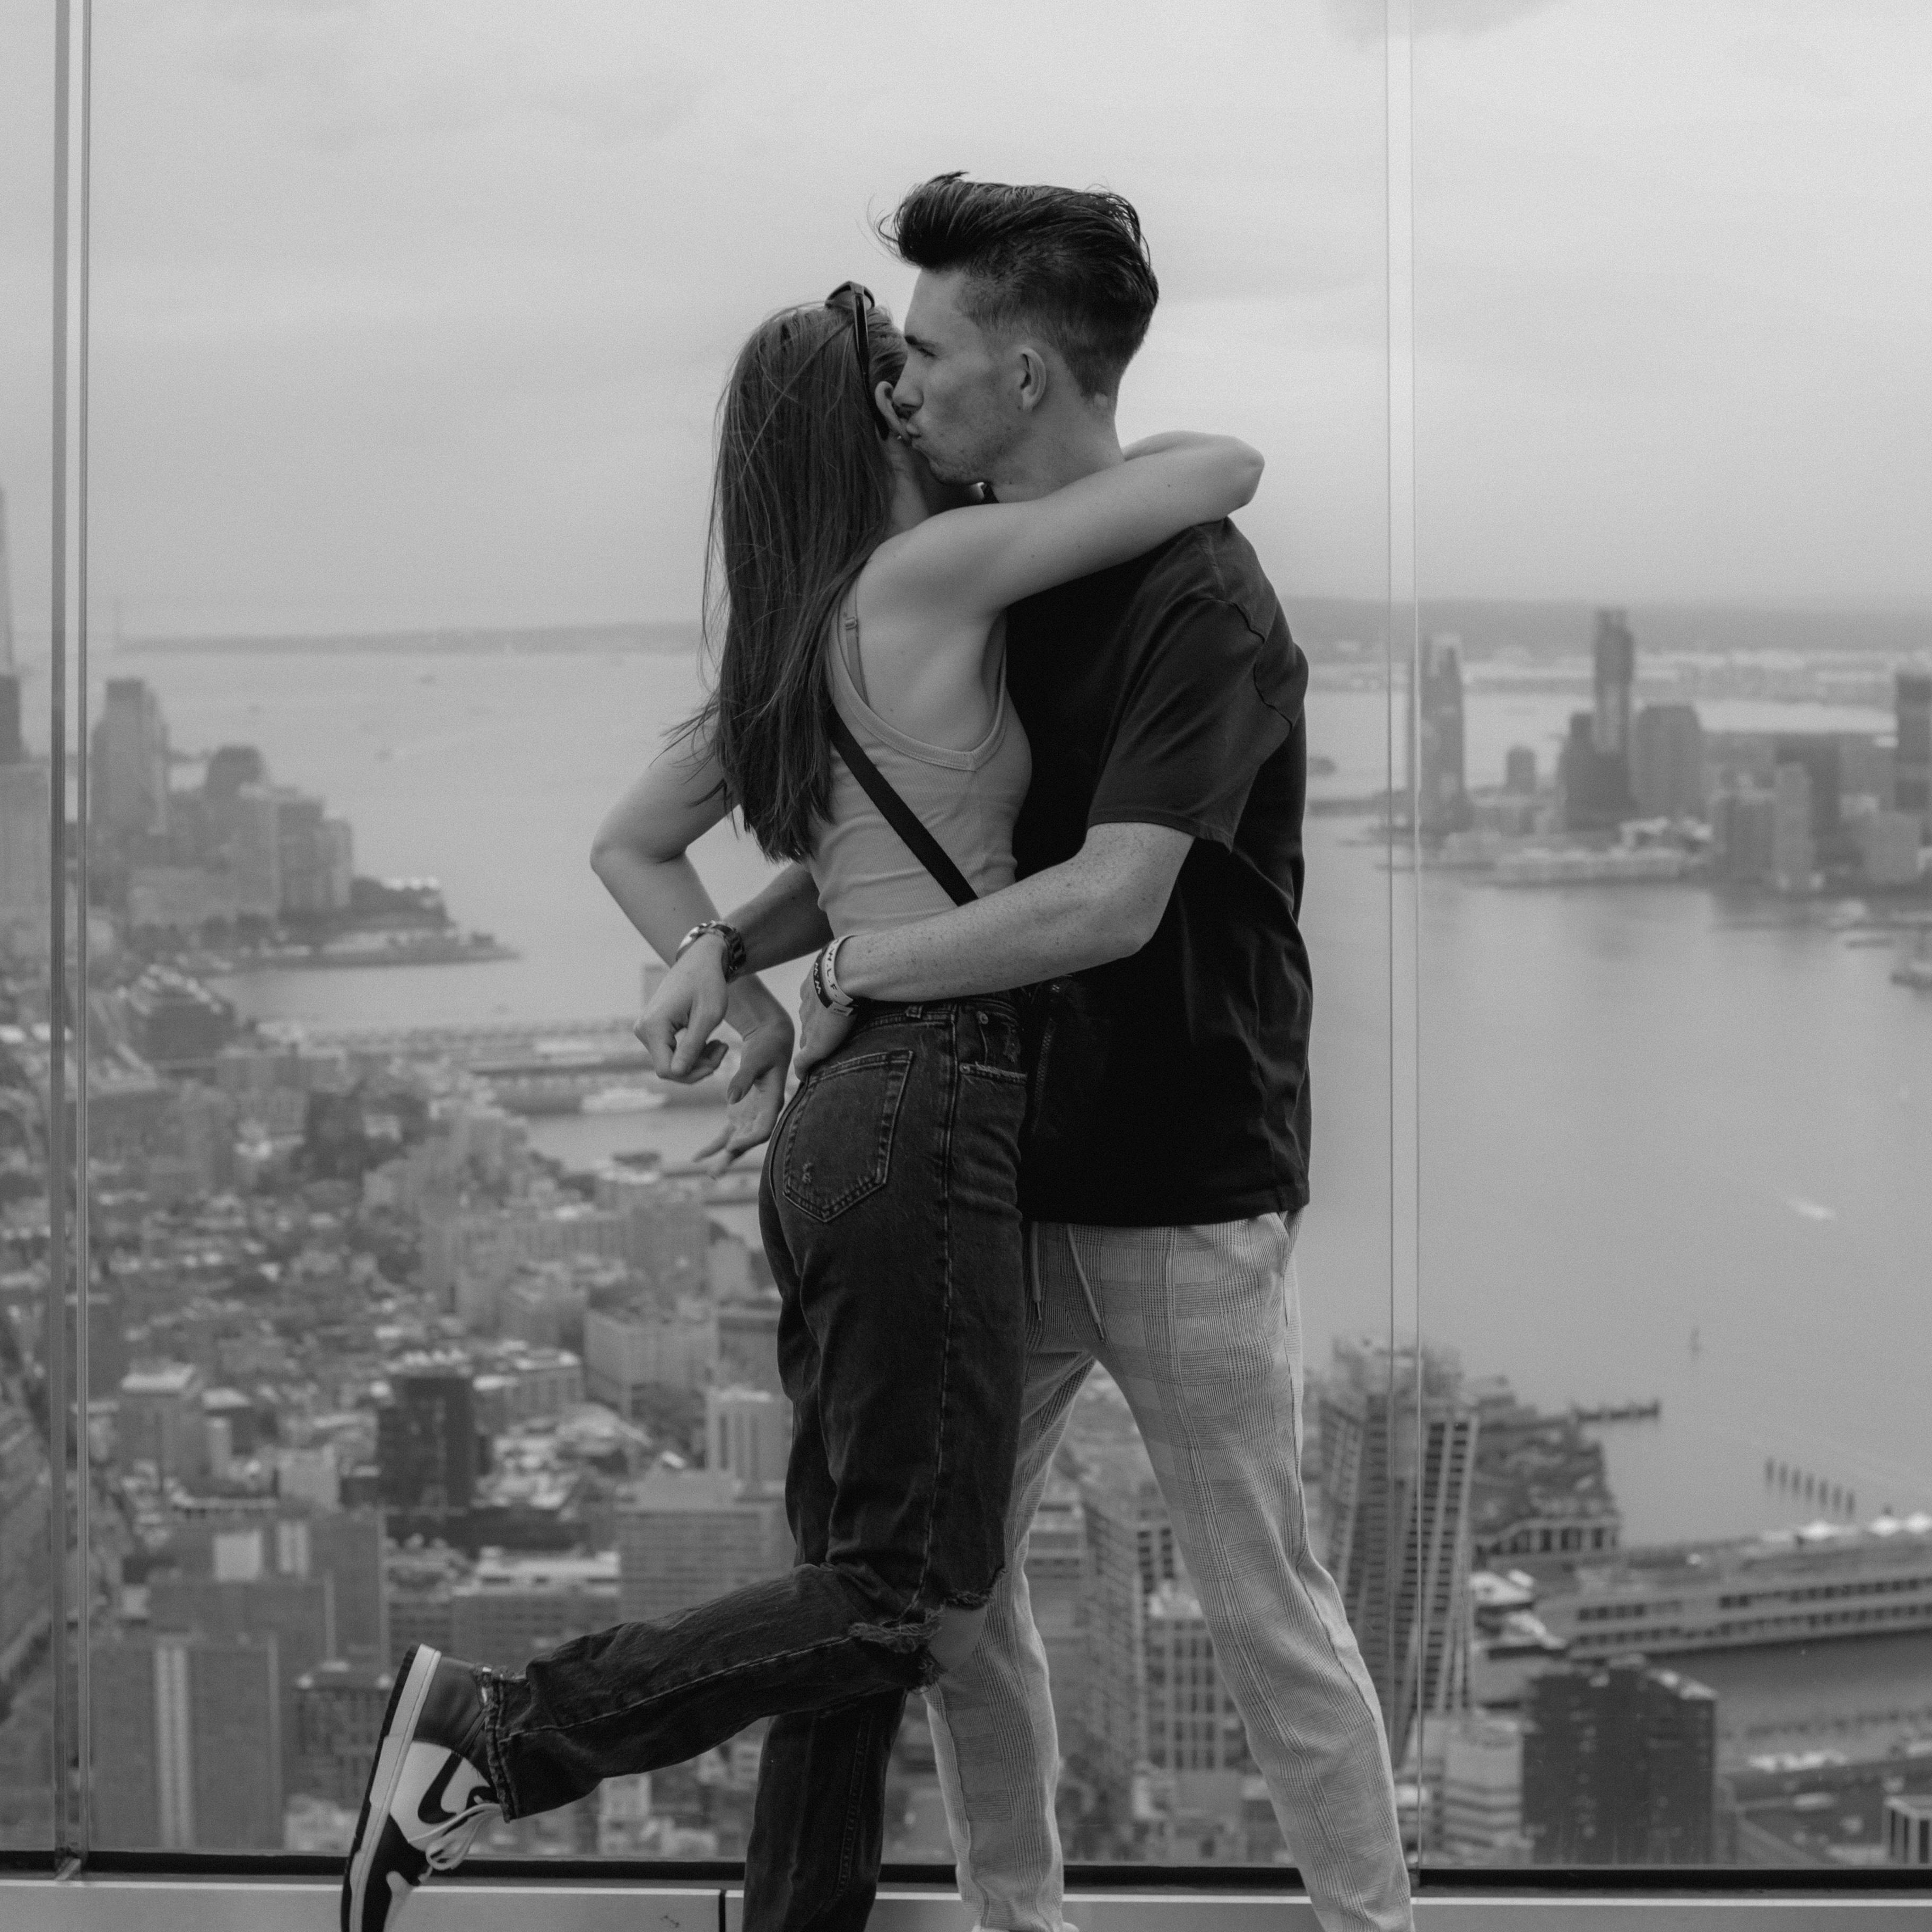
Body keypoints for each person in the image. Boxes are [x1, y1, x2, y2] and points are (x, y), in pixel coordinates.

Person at [339, 257, 1261, 1931]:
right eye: (901, 383)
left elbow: (628, 844)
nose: (925, 396)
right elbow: (1221, 469)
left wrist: (737, 977)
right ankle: (501, 1729)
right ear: (867, 433)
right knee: (908, 1595)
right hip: (927, 1100)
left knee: (848, 1589)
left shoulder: (788, 645)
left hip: (836, 1115)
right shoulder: (926, 572)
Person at [643, 176, 1416, 1932]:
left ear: (1027, 375)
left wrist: (847, 967)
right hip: (989, 1166)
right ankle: (1017, 1920)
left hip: (1179, 1175)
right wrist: (729, 943)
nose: (899, 384)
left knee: (1263, 1603)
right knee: (956, 1602)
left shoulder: (1196, 600)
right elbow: (934, 839)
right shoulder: (984, 574)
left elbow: (1107, 899)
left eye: (927, 352)